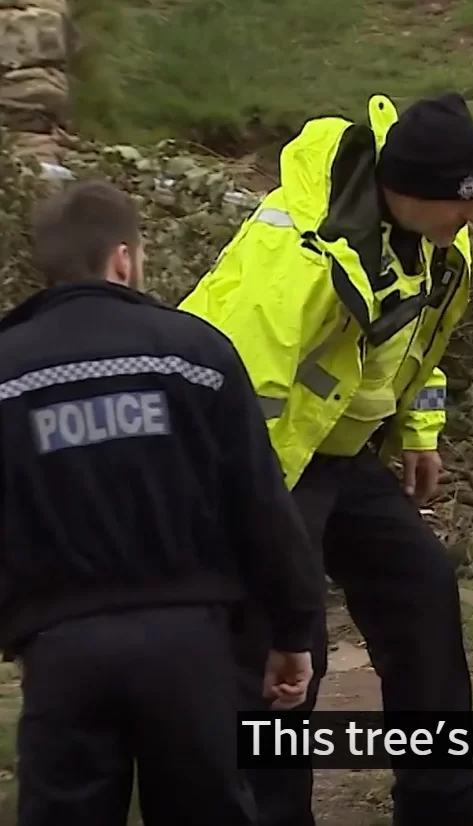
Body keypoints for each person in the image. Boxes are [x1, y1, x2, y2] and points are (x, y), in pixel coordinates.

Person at [177, 92, 473, 826]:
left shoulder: (435, 237)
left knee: (422, 586)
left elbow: (418, 344)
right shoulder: (298, 259)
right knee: (286, 649)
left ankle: (443, 798)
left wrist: (419, 431)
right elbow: (236, 390)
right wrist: (245, 518)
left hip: (341, 453)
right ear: (405, 192)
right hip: (261, 465)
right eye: (464, 203)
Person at [0, 179, 324, 826]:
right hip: (189, 645)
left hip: (61, 653)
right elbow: (260, 505)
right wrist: (292, 631)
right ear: (124, 258)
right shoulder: (197, 354)